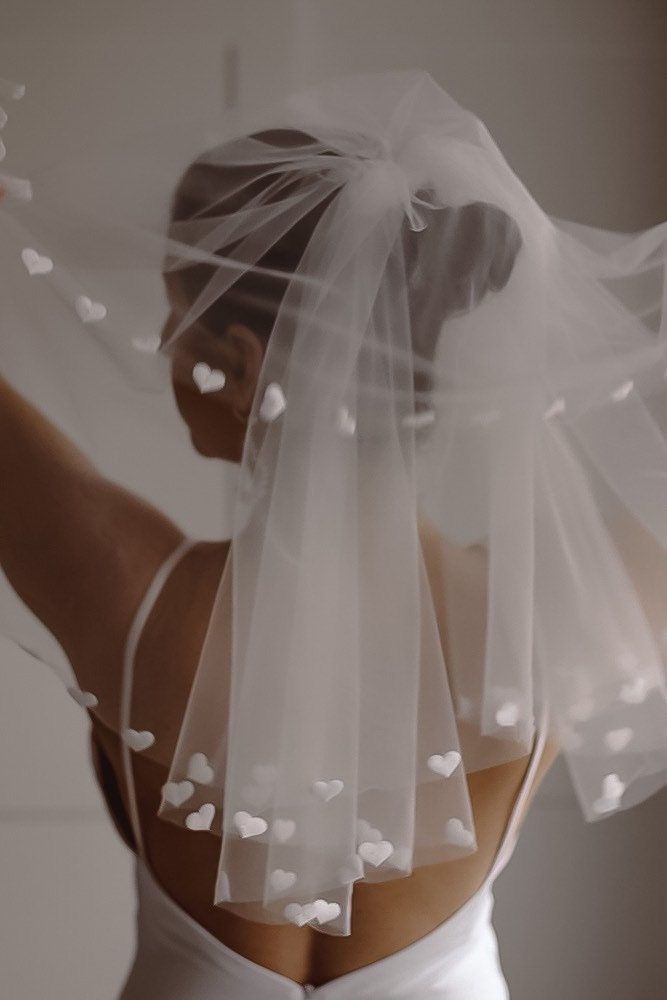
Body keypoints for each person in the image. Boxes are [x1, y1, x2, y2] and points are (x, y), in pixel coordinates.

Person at [1, 70, 665, 998]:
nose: (161, 345)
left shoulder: (127, 594)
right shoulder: (555, 611)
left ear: (239, 366)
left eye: (176, 309)